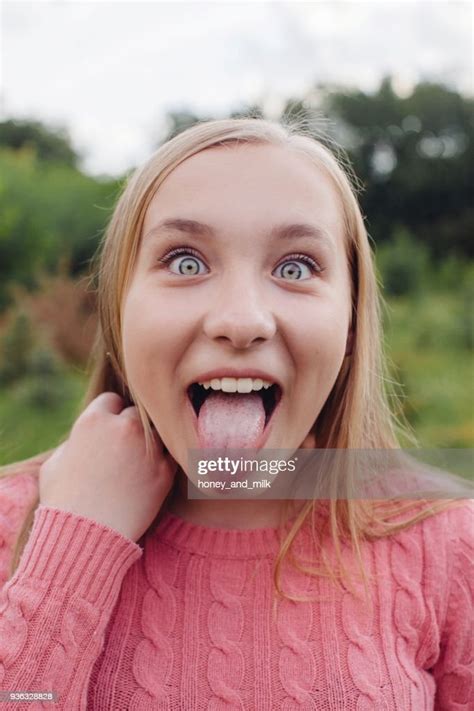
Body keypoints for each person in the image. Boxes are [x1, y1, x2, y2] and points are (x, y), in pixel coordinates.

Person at [0, 117, 472, 710]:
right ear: (119, 309)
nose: (242, 321)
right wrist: (73, 549)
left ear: (351, 324)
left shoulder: (450, 545)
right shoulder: (14, 522)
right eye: (186, 262)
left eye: (295, 267)